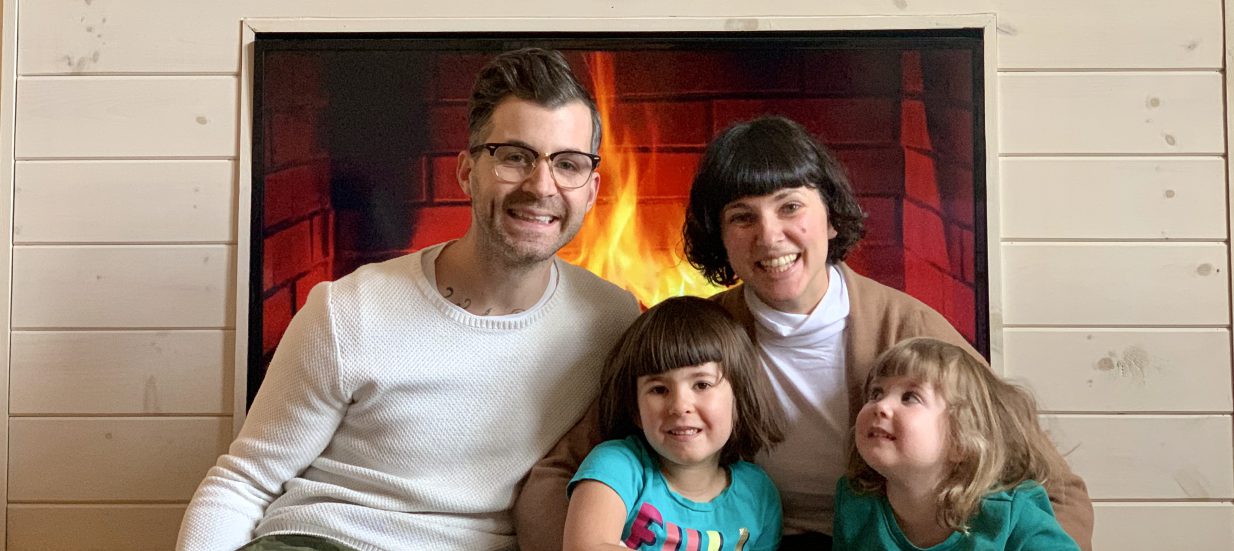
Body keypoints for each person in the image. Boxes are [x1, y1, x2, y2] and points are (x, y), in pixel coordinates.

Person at [514, 115, 1093, 551]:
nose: (770, 236)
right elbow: (556, 473)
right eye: (742, 217)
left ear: (831, 214)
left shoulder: (910, 331)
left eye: (790, 206)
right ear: (720, 239)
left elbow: (1053, 488)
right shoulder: (697, 342)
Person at [176, 48, 641, 551]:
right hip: (323, 539)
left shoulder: (611, 321)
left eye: (567, 164)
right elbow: (243, 483)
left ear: (591, 191)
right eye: (514, 157)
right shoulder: (346, 311)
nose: (541, 185)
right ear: (466, 172)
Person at [563, 296, 785, 551]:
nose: (680, 406)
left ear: (739, 399)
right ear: (635, 408)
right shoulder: (617, 466)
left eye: (702, 384)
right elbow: (587, 547)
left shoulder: (758, 493)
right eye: (659, 389)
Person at [834, 337, 1080, 550]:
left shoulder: (1011, 512)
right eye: (876, 393)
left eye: (910, 397)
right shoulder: (856, 501)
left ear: (961, 440)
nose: (881, 406)